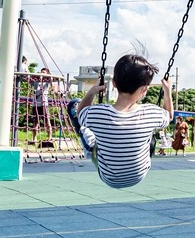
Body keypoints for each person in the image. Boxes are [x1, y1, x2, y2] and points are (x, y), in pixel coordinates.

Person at [66, 53, 172, 188]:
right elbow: (169, 115)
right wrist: (167, 91)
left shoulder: (98, 112)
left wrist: (93, 91)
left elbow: (80, 112)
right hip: (138, 176)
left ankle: (81, 129)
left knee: (80, 117)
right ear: (145, 90)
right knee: (151, 139)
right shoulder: (152, 112)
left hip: (108, 177)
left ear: (114, 83)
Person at [30, 67, 53, 144]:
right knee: (35, 122)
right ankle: (34, 138)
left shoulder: (47, 82)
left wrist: (45, 77)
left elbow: (51, 80)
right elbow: (30, 81)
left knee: (47, 121)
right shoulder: (36, 82)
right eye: (41, 72)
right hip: (36, 104)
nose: (42, 74)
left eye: (44, 72)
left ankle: (50, 137)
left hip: (44, 104)